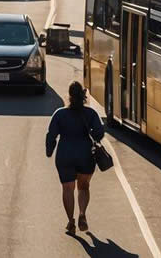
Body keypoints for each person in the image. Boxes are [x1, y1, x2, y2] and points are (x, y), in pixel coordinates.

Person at [46, 81, 104, 234]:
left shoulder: (59, 114)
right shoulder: (91, 114)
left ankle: (70, 222)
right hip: (85, 155)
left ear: (69, 96)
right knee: (84, 187)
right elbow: (99, 133)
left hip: (65, 155)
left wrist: (49, 151)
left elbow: (51, 135)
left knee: (67, 189)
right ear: (83, 96)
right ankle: (82, 214)